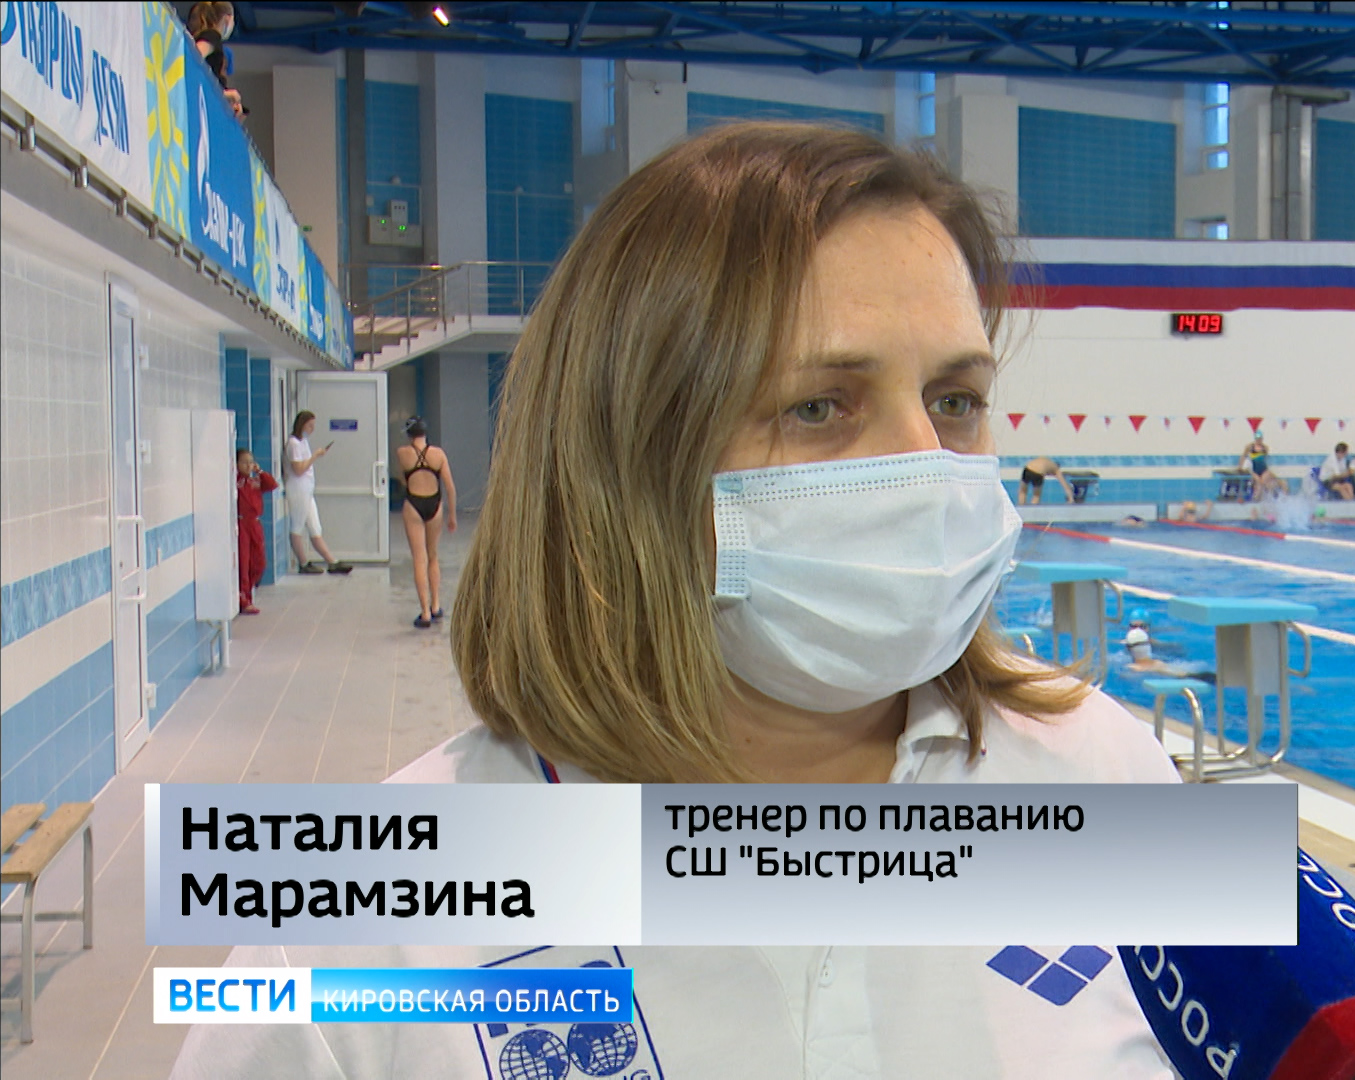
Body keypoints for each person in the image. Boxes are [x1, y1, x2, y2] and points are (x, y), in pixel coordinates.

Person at [171, 123, 1183, 1080]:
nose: (926, 467)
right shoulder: (366, 927)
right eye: (819, 406)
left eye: (954, 401)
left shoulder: (1111, 781)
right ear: (630, 456)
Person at [396, 416, 457, 628]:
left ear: (409, 434)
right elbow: (450, 487)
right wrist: (452, 515)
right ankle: (436, 605)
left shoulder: (402, 453)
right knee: (433, 556)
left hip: (413, 504)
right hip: (435, 505)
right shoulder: (438, 454)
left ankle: (424, 613)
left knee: (419, 559)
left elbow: (404, 480)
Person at [284, 410, 352, 575]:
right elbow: (298, 469)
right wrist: (315, 455)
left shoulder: (303, 441)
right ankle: (303, 563)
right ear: (302, 425)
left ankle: (332, 562)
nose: (312, 429)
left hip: (307, 490)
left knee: (315, 527)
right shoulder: (293, 443)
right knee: (297, 526)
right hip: (297, 490)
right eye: (310, 425)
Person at [234, 447, 276, 615]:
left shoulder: (255, 482)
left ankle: (248, 590)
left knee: (259, 562)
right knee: (244, 563)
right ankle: (244, 599)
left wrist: (260, 471)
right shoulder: (236, 482)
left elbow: (272, 484)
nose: (248, 465)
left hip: (255, 524)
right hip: (242, 523)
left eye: (250, 462)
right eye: (244, 462)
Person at [185, 1, 245, 120]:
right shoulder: (212, 36)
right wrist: (224, 94)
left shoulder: (212, 40)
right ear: (228, 19)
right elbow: (193, 58)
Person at [1240, 430, 1288, 499]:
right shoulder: (1250, 447)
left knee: (1274, 482)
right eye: (1257, 439)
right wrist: (1240, 467)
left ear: (1262, 439)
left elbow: (1265, 460)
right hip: (1254, 471)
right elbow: (1243, 456)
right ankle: (1257, 497)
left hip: (1264, 470)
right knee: (1259, 483)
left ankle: (1280, 495)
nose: (1258, 440)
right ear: (1255, 439)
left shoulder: (1265, 448)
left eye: (1260, 439)